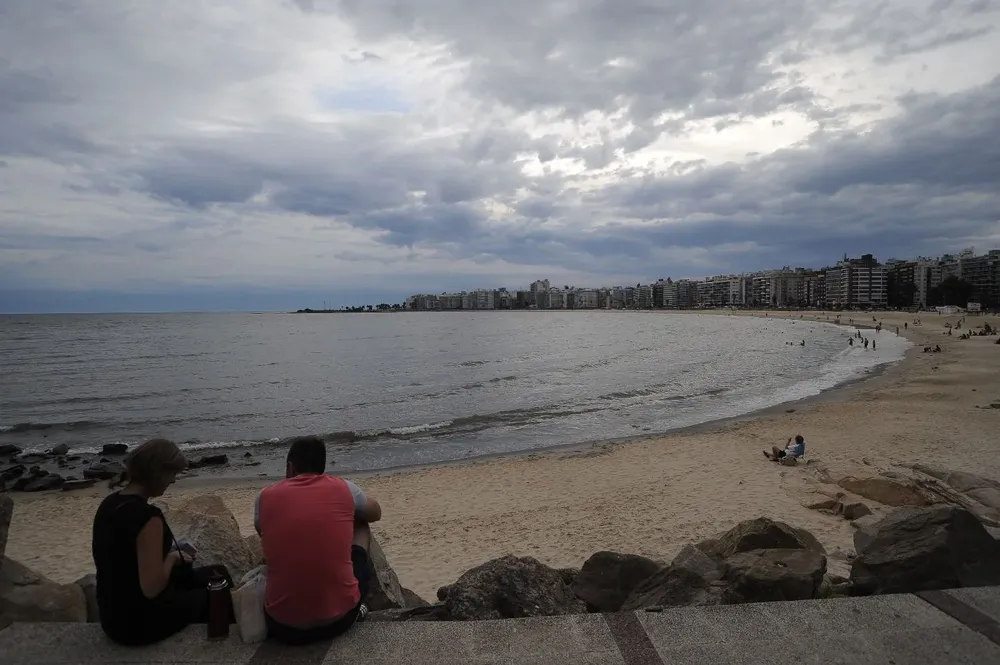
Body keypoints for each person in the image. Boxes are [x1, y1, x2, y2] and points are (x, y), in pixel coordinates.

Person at [92, 439, 233, 646]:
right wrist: (171, 558)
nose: (173, 481)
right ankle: (222, 644)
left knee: (217, 571)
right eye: (172, 474)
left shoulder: (109, 504)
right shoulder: (147, 517)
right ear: (158, 472)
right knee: (216, 589)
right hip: (138, 623)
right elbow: (152, 588)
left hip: (112, 615)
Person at [255, 436, 382, 645]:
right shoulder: (344, 488)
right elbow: (375, 512)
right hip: (340, 620)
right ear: (322, 467)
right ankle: (356, 604)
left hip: (282, 627)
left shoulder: (264, 497)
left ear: (290, 467)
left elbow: (263, 532)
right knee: (361, 524)